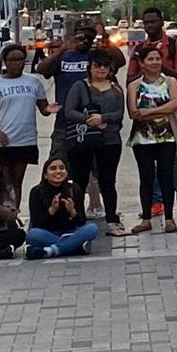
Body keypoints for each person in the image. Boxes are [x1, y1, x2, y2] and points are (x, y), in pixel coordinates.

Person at [128, 6, 177, 212]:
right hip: (146, 114)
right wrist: (146, 65)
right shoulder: (139, 49)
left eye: (153, 22)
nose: (150, 26)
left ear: (161, 22)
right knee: (151, 161)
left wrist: (158, 63)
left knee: (176, 158)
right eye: (146, 23)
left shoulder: (175, 45)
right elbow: (130, 79)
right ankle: (157, 202)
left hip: (170, 112)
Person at [63, 48, 127, 232]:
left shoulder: (115, 88)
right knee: (80, 181)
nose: (101, 69)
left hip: (110, 140)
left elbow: (119, 114)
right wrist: (89, 120)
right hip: (84, 138)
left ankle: (112, 218)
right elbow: (69, 111)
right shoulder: (80, 86)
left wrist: (103, 118)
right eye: (97, 65)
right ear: (90, 67)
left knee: (108, 181)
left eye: (105, 66)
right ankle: (78, 218)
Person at [0, 45, 48, 207]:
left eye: (20, 60)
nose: (16, 64)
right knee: (1, 181)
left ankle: (13, 213)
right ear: (5, 62)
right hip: (2, 142)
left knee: (16, 182)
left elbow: (44, 108)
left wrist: (50, 109)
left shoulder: (34, 82)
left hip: (25, 140)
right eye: (12, 60)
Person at [39, 22, 99, 210]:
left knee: (95, 168)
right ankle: (53, 205)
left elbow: (118, 62)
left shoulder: (95, 56)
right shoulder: (63, 56)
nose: (84, 40)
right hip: (65, 123)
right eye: (80, 36)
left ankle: (92, 206)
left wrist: (103, 41)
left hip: (92, 122)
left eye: (88, 37)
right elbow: (43, 70)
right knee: (58, 163)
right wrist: (64, 47)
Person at [127, 45, 177, 234]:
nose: (155, 62)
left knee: (166, 176)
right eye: (150, 59)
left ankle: (169, 217)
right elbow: (134, 112)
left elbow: (175, 103)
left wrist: (150, 112)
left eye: (157, 59)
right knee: (146, 177)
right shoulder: (134, 85)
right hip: (142, 138)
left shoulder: (171, 81)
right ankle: (146, 217)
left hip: (167, 136)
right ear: (142, 63)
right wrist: (161, 109)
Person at [25, 155, 101, 259]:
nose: (58, 171)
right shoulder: (37, 192)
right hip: (48, 233)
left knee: (92, 228)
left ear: (66, 172)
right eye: (53, 168)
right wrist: (51, 211)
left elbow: (82, 220)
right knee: (33, 235)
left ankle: (51, 250)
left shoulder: (74, 189)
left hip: (70, 232)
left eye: (62, 168)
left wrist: (73, 212)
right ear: (45, 175)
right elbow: (36, 222)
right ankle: (75, 247)